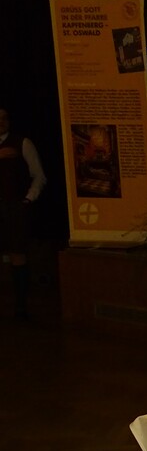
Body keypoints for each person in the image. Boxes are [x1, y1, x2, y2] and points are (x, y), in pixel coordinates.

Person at [0, 105, 47, 319]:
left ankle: (21, 306)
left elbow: (38, 175)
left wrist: (28, 199)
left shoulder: (22, 143)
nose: (1, 122)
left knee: (17, 253)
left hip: (14, 207)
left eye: (4, 118)